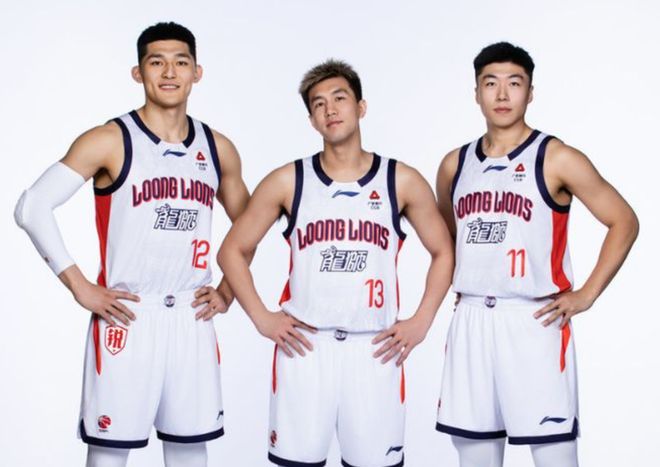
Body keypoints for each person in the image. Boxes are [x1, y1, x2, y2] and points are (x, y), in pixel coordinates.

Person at [14, 22, 249, 467]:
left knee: (189, 452)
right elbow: (32, 206)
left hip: (190, 317)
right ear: (138, 72)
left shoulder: (218, 148)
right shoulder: (110, 140)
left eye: (180, 62)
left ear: (196, 72)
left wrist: (228, 290)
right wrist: (80, 286)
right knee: (108, 453)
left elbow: (250, 226)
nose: (169, 72)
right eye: (156, 62)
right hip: (128, 315)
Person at [218, 59, 454, 467]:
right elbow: (231, 250)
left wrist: (422, 320)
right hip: (306, 347)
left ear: (361, 107)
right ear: (312, 120)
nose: (330, 109)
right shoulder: (289, 180)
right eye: (318, 104)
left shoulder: (401, 180)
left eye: (339, 98)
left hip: (374, 348)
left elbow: (444, 250)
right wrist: (262, 318)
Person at [434, 41, 639, 467]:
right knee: (474, 456)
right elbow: (450, 239)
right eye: (491, 83)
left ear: (530, 92)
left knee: (554, 455)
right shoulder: (455, 164)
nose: (502, 94)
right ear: (476, 93)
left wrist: (586, 295)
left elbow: (624, 220)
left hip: (534, 319)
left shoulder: (557, 157)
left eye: (514, 83)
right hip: (471, 321)